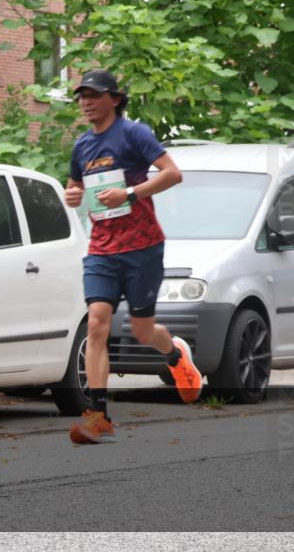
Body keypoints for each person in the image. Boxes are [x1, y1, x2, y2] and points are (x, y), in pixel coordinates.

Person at [63, 69, 203, 445]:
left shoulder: (134, 134)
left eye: (93, 95)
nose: (86, 102)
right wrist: (72, 194)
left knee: (143, 331)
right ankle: (99, 416)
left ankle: (174, 356)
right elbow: (76, 185)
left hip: (143, 247)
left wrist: (129, 194)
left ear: (114, 98)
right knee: (96, 323)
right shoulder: (81, 146)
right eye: (81, 97)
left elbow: (173, 174)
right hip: (102, 248)